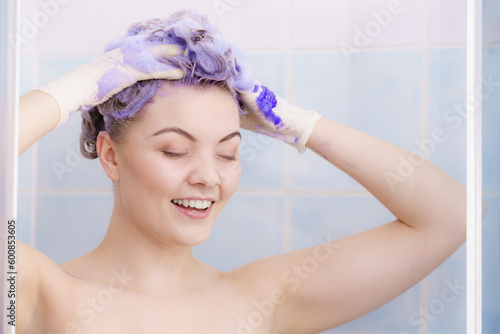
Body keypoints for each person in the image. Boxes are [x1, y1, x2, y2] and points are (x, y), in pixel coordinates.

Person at [17, 10, 472, 334]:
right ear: (111, 157)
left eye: (228, 153)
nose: (208, 178)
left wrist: (297, 123)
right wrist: (76, 87)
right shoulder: (39, 291)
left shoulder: (263, 299)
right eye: (175, 150)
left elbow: (452, 216)